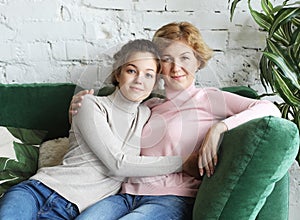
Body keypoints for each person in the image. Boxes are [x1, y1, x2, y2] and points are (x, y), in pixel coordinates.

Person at [70, 22, 281, 220]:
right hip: (125, 194)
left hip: (172, 198)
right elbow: (106, 128)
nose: (176, 67)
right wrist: (76, 109)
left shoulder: (209, 98)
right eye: (167, 59)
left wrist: (219, 128)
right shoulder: (148, 105)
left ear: (198, 62)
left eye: (185, 58)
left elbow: (270, 108)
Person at [0, 39, 187, 220]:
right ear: (117, 74)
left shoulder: (147, 113)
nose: (139, 80)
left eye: (149, 74)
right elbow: (117, 164)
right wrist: (183, 164)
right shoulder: (90, 104)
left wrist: (218, 126)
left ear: (155, 83)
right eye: (131, 70)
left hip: (74, 212)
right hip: (36, 194)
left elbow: (187, 106)